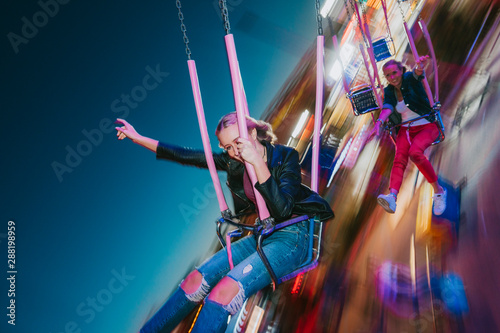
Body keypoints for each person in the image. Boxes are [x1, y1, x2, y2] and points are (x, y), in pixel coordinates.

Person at [115, 112, 334, 333]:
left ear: (252, 133)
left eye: (238, 142)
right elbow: (185, 156)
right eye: (228, 147)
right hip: (262, 234)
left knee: (223, 293)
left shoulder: (285, 156)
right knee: (194, 281)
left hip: (292, 236)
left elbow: (283, 209)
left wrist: (257, 162)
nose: (235, 152)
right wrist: (138, 138)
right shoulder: (233, 163)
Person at [370, 57, 446, 215]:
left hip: (427, 125)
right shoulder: (389, 91)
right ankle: (392, 197)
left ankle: (439, 192)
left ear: (401, 70)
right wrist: (379, 121)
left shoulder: (409, 78)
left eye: (394, 73)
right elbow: (388, 107)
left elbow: (417, 75)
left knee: (415, 153)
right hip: (405, 129)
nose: (392, 78)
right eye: (388, 76)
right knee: (399, 159)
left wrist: (419, 67)